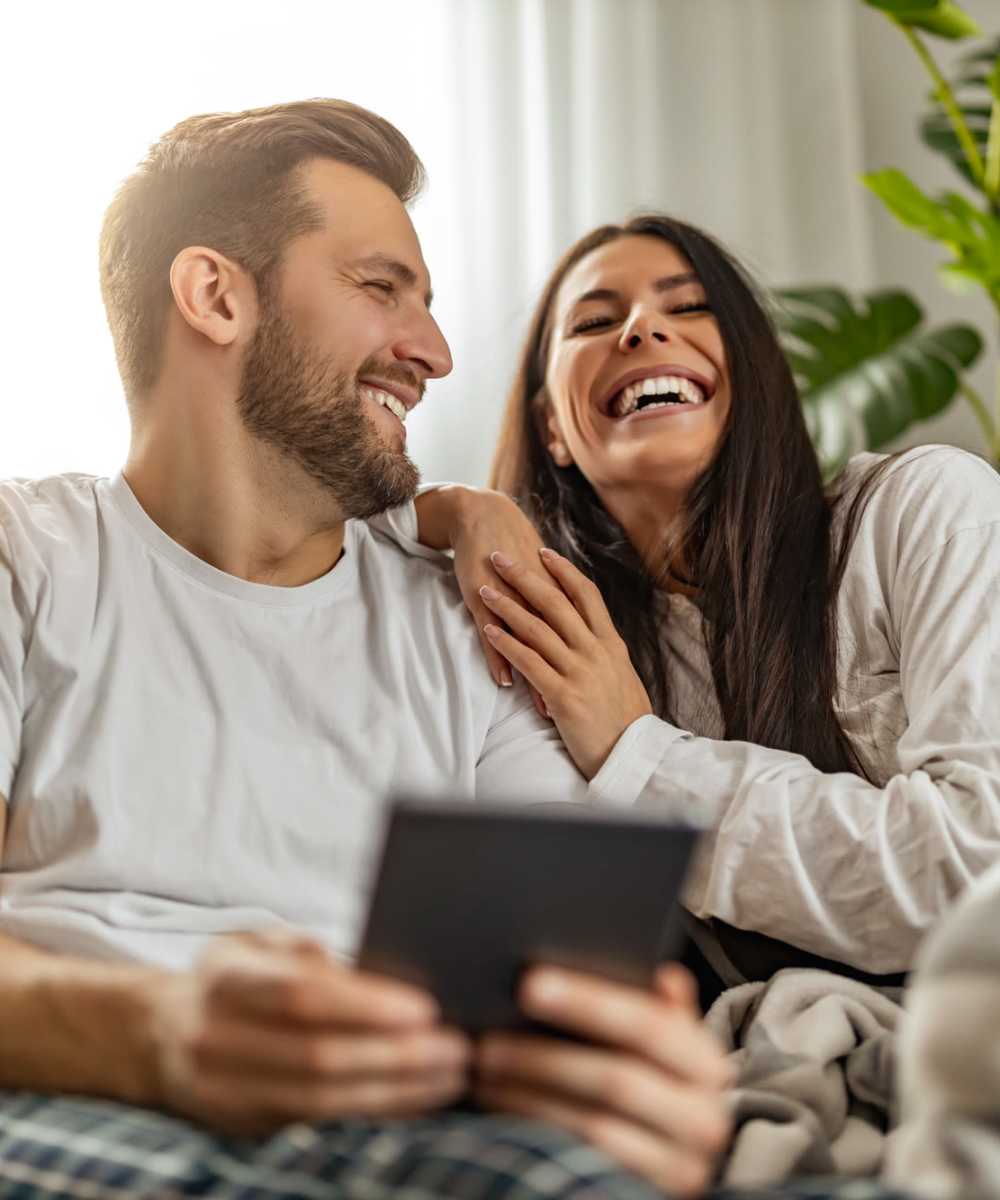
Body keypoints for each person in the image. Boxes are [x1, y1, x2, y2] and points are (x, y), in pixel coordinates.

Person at [0, 105, 731, 1198]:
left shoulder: (469, 617)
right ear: (216, 297)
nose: (434, 353)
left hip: (411, 1127)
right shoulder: (28, 561)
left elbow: (567, 977)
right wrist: (160, 1033)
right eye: (382, 288)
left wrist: (622, 1073)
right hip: (82, 1098)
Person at [378, 213, 1000, 1002]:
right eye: (595, 322)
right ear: (553, 429)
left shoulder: (924, 510)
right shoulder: (562, 637)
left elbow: (979, 877)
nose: (641, 329)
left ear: (754, 374)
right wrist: (459, 507)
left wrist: (637, 754)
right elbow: (298, 523)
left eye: (689, 306)